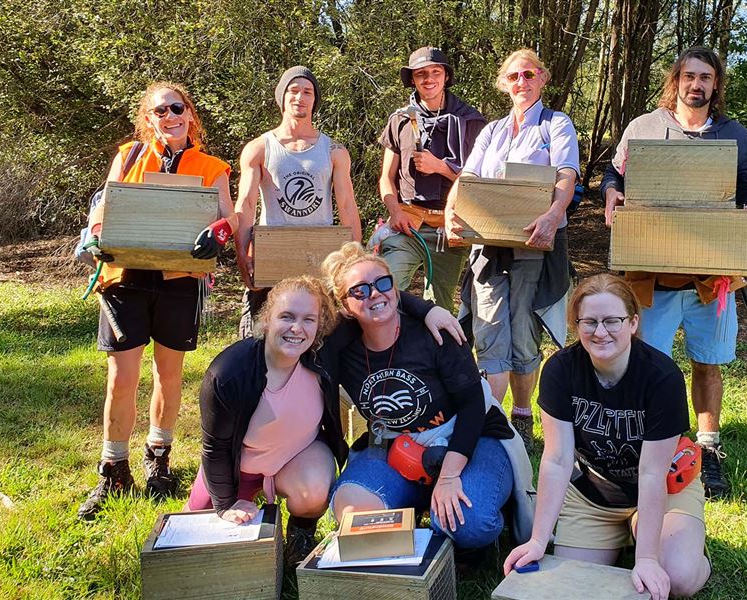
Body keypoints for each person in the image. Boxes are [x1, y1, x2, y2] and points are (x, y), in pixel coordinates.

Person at [600, 46, 747, 499]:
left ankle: (708, 449)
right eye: (689, 76)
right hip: (652, 275)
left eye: (706, 78)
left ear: (716, 86)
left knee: (708, 362)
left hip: (710, 277)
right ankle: (641, 444)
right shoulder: (645, 127)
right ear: (675, 80)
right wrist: (612, 195)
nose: (696, 85)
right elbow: (613, 174)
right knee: (643, 364)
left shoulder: (733, 134)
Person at [77, 81, 238, 520]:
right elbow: (104, 207)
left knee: (169, 375)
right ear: (148, 120)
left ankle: (159, 457)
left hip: (180, 279)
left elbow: (231, 216)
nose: (170, 117)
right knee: (120, 377)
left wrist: (219, 235)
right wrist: (95, 236)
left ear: (190, 113)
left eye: (177, 108)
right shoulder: (128, 156)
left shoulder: (211, 166)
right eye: (160, 111)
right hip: (125, 276)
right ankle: (113, 469)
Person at [503, 274, 710, 600]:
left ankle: (678, 543)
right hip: (592, 496)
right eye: (590, 322)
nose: (600, 332)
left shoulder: (662, 377)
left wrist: (647, 558)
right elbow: (557, 460)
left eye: (613, 321)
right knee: (572, 587)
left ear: (632, 322)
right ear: (577, 325)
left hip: (664, 489)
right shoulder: (560, 371)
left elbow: (652, 472)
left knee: (679, 577)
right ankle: (628, 535)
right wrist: (538, 540)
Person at [323, 242, 535, 555]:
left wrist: (449, 476)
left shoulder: (434, 332)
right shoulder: (341, 346)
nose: (375, 294)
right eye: (360, 290)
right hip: (398, 446)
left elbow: (473, 405)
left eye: (384, 283)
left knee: (467, 522)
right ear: (343, 306)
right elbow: (310, 318)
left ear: (396, 289)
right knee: (351, 508)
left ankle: (476, 508)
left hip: (470, 435)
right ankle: (423, 500)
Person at [447, 49, 579, 445]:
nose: (521, 82)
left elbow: (566, 175)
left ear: (543, 78)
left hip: (534, 244)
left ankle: (522, 417)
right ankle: (491, 419)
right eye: (513, 76)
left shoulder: (556, 124)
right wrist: (452, 212)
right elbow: (467, 178)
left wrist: (554, 214)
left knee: (523, 331)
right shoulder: (491, 131)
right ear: (504, 83)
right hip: (487, 246)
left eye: (529, 74)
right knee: (488, 330)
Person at [186, 276, 344, 565]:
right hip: (238, 467)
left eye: (309, 319)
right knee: (192, 538)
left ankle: (300, 536)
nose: (297, 328)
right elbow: (215, 447)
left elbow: (374, 307)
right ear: (267, 319)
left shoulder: (323, 352)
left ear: (319, 325)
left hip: (296, 457)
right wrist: (225, 505)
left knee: (315, 488)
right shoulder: (228, 373)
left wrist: (429, 311)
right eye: (287, 316)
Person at [235, 66, 362, 338]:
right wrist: (243, 255)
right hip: (271, 257)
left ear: (314, 100)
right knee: (261, 341)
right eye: (293, 91)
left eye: (307, 92)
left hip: (321, 259)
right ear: (282, 97)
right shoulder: (259, 148)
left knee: (321, 340)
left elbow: (347, 206)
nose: (300, 98)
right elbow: (245, 205)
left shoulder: (334, 150)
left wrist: (355, 259)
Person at [376, 47, 486, 311]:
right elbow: (385, 178)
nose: (429, 79)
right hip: (409, 223)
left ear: (446, 76)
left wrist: (441, 167)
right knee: (385, 288)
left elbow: (480, 182)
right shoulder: (400, 120)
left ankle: (433, 351)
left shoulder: (469, 120)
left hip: (452, 227)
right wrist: (395, 212)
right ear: (412, 79)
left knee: (441, 307)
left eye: (436, 72)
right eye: (421, 74)